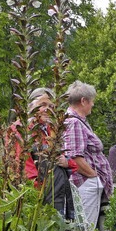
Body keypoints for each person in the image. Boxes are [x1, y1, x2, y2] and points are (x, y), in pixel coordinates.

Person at [63, 81, 113, 231]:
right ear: (83, 101)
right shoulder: (74, 122)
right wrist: (93, 175)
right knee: (85, 229)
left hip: (88, 184)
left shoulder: (79, 122)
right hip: (85, 184)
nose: (93, 105)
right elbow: (75, 157)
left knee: (88, 227)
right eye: (91, 101)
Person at [25, 87, 76, 220]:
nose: (48, 109)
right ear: (30, 106)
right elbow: (24, 167)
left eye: (51, 106)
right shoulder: (22, 131)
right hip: (41, 198)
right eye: (42, 105)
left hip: (60, 194)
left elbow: (71, 163)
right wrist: (37, 191)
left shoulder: (50, 131)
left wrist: (66, 162)